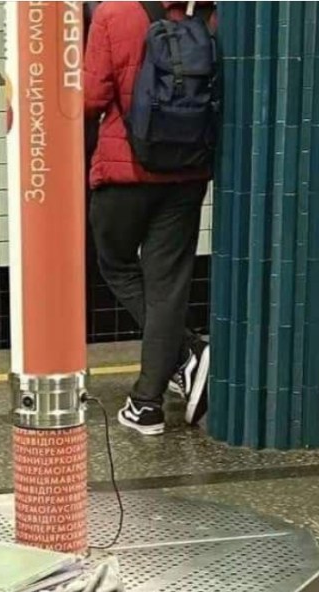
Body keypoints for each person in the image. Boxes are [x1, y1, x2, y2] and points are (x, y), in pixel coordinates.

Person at [84, 1, 215, 437]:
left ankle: (191, 349)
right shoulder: (213, 15)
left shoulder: (115, 12)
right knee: (167, 283)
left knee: (116, 264)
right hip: (188, 171)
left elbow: (90, 97)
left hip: (127, 172)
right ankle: (146, 405)